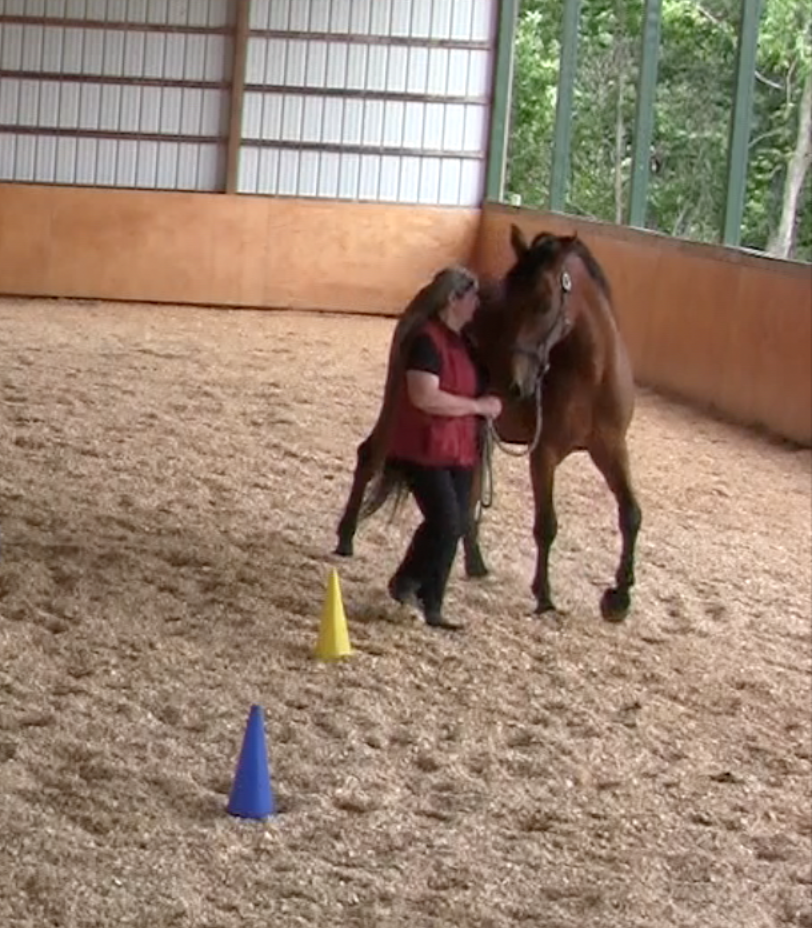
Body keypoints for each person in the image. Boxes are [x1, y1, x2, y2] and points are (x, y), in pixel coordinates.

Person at [385, 266, 503, 631]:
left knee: (452, 523)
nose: (477, 304)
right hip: (421, 448)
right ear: (455, 299)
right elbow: (425, 397)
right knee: (447, 521)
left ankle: (430, 598)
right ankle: (408, 582)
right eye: (473, 297)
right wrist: (478, 407)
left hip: (456, 448)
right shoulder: (426, 341)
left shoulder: (464, 343)